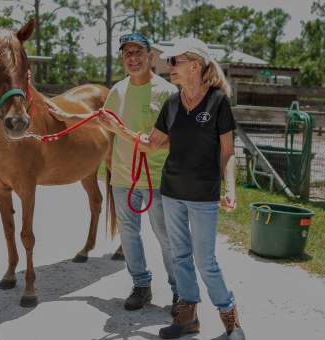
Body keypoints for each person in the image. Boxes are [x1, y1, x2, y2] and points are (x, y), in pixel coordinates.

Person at [99, 37, 245, 340]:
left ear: (194, 65)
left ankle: (231, 321)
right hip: (172, 193)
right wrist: (119, 130)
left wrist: (230, 188)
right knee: (179, 256)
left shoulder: (218, 102)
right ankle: (187, 318)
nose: (169, 66)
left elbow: (227, 151)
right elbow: (152, 144)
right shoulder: (173, 102)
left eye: (174, 61)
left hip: (203, 196)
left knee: (205, 261)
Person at [48, 32, 179, 313]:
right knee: (129, 234)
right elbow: (102, 121)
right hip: (122, 177)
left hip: (157, 178)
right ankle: (141, 285)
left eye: (138, 53)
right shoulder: (118, 90)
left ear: (150, 56)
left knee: (166, 237)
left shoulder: (168, 92)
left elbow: (176, 137)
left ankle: (180, 291)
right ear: (123, 58)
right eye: (127, 54)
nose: (132, 58)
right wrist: (70, 118)